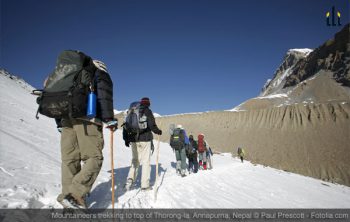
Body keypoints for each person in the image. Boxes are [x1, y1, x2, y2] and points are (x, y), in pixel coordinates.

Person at [57, 59, 118, 209]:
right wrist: (109, 119)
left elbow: (60, 99)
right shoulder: (99, 72)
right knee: (94, 157)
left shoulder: (70, 76)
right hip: (88, 118)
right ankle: (75, 195)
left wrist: (59, 122)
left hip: (66, 120)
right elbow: (104, 95)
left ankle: (68, 199)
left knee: (70, 160)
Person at [124, 97, 162, 191]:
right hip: (145, 139)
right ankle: (144, 185)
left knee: (135, 160)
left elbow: (125, 125)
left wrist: (126, 139)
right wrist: (158, 131)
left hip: (133, 140)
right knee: (145, 162)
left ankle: (130, 180)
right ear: (148, 103)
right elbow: (151, 124)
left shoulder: (131, 111)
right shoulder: (147, 111)